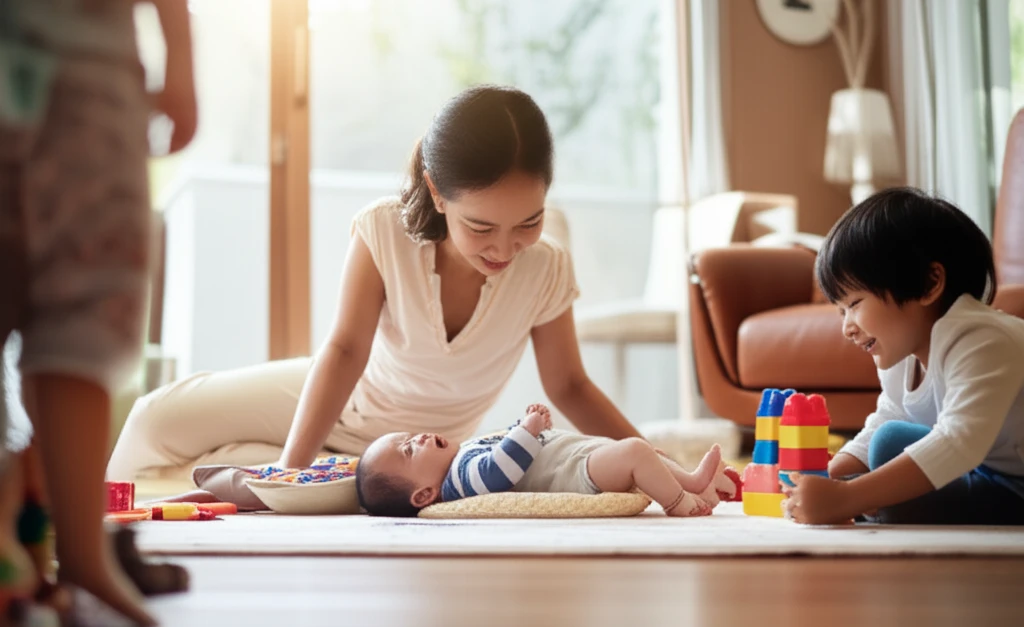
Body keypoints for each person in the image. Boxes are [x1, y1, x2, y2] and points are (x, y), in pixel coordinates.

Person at [108, 85, 648, 485]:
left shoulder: (547, 268)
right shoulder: (385, 230)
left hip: (416, 454)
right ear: (438, 194)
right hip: (346, 397)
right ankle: (103, 527)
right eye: (481, 227)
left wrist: (656, 460)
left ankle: (282, 472)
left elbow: (570, 387)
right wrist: (291, 473)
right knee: (154, 420)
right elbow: (344, 351)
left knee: (223, 464)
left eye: (528, 223)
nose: (504, 249)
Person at [0, 0, 197, 627]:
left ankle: (75, 548)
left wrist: (179, 60)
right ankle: (70, 550)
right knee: (81, 315)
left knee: (75, 315)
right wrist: (181, 64)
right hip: (84, 77)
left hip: (75, 71)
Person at [783, 187, 1024, 526]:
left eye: (854, 305)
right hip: (985, 473)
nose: (847, 328)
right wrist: (829, 477)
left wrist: (847, 497)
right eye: (840, 312)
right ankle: (869, 502)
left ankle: (869, 503)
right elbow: (888, 416)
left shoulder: (983, 340)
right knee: (890, 439)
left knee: (885, 469)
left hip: (1016, 488)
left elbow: (958, 442)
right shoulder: (903, 355)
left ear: (928, 283)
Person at [356, 403, 729, 518]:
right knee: (636, 452)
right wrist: (529, 429)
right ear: (423, 495)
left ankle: (693, 483)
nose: (418, 438)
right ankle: (678, 502)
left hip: (580, 453)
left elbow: (501, 450)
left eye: (409, 435)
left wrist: (521, 428)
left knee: (652, 457)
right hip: (577, 473)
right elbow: (498, 470)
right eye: (408, 450)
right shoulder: (459, 481)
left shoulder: (464, 453)